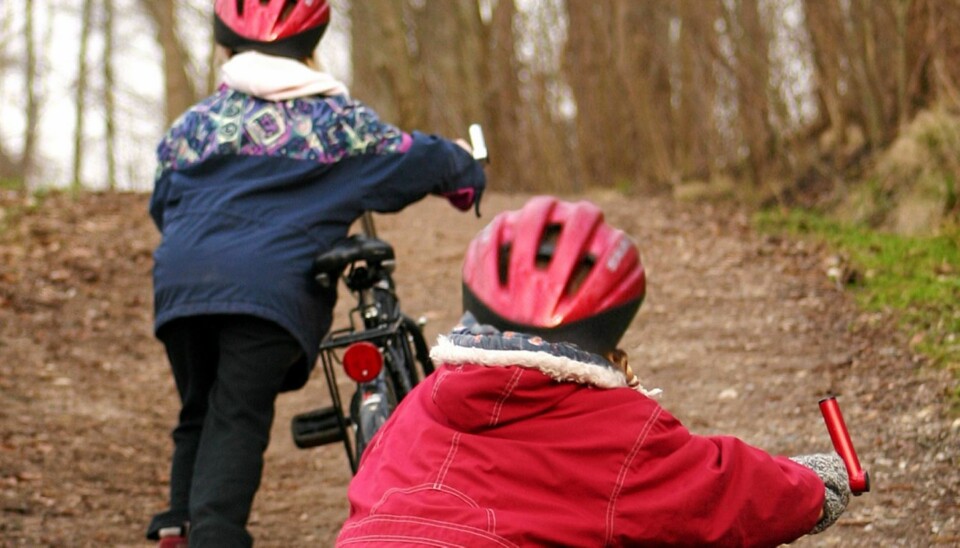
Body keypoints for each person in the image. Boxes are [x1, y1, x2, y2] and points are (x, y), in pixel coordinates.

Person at [144, 1, 486, 546]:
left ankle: (178, 521)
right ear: (311, 48)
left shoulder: (192, 126)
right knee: (236, 413)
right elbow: (415, 157)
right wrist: (464, 168)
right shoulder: (336, 124)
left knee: (200, 408)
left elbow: (162, 204)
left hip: (181, 286)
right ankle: (215, 534)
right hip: (267, 290)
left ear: (226, 48)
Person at [337, 196, 852, 547]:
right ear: (611, 330)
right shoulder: (620, 432)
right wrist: (811, 486)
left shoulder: (416, 407)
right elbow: (720, 490)